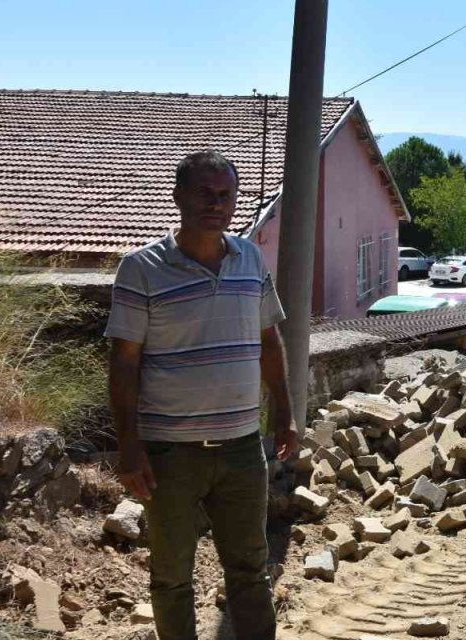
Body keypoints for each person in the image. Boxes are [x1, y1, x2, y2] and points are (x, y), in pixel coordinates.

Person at [106, 150, 298, 640]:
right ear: (178, 198)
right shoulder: (142, 268)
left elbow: (268, 340)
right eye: (205, 194)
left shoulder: (250, 257)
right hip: (170, 454)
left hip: (240, 448)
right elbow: (124, 362)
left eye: (225, 195)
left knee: (250, 571)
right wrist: (129, 447)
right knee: (171, 578)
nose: (217, 204)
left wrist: (285, 413)